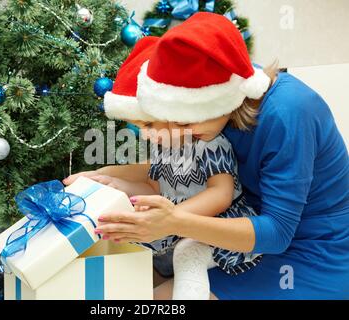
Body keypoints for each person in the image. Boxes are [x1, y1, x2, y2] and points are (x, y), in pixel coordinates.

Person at [65, 13, 349, 299]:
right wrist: (104, 175)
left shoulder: (289, 113)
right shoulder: (211, 107)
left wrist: (174, 221)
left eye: (184, 123)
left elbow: (277, 233)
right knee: (136, 292)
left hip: (311, 251)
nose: (176, 132)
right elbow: (167, 169)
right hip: (240, 235)